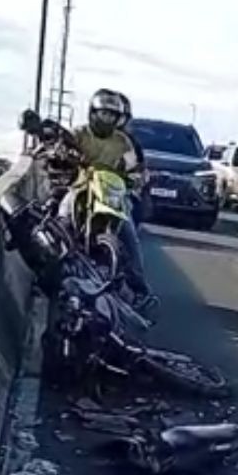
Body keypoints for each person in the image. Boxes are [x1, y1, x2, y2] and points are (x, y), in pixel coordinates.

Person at [69, 88, 153, 310]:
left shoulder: (123, 142)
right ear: (92, 113)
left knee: (129, 235)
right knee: (60, 216)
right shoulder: (79, 135)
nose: (106, 119)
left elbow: (135, 166)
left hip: (113, 195)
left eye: (111, 115)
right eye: (102, 113)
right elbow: (60, 151)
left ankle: (140, 289)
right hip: (81, 189)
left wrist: (137, 178)